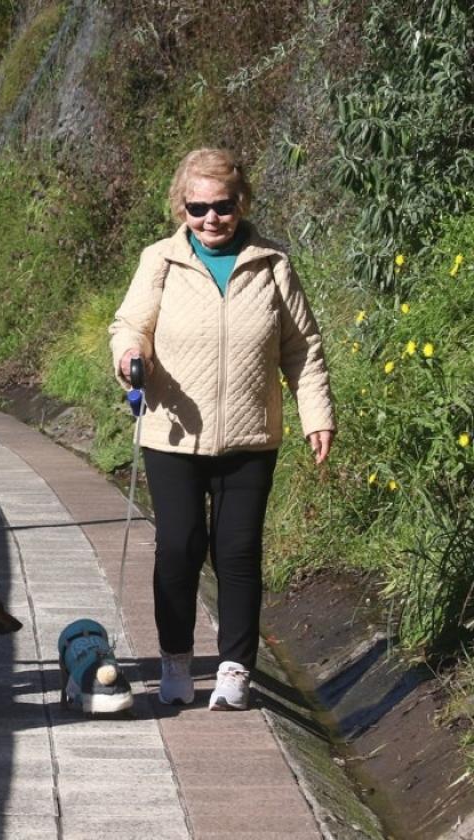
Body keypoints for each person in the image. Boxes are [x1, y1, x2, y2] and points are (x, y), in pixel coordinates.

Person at [108, 148, 334, 711]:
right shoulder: (159, 260)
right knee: (179, 549)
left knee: (237, 551)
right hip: (173, 434)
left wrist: (317, 415)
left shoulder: (272, 264)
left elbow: (302, 349)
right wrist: (131, 354)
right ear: (181, 207)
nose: (211, 218)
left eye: (223, 206)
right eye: (197, 207)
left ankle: (235, 668)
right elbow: (129, 324)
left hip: (250, 438)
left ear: (242, 202)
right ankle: (176, 661)